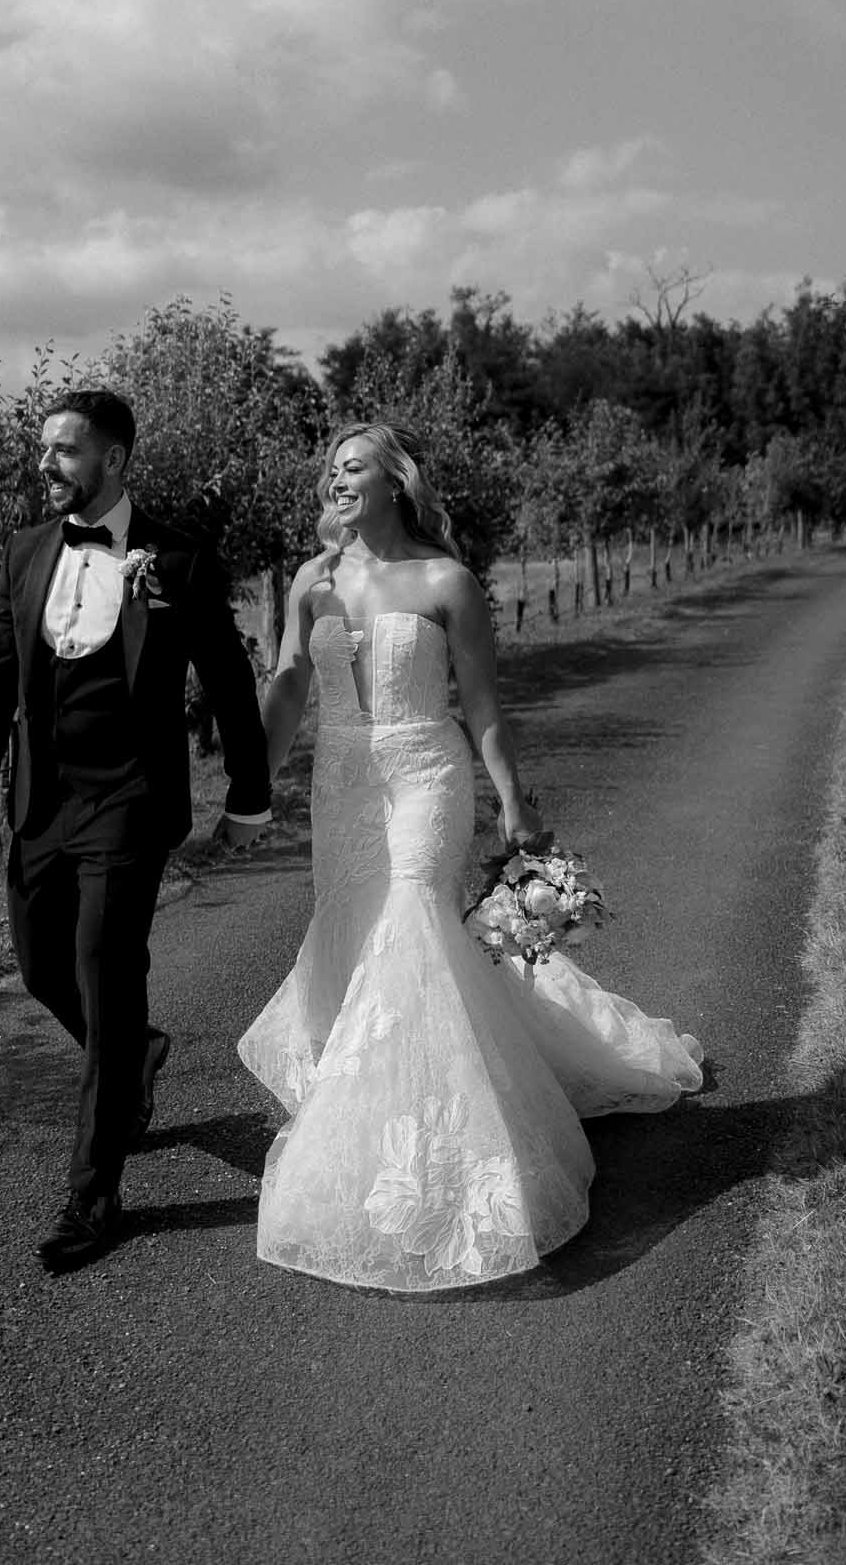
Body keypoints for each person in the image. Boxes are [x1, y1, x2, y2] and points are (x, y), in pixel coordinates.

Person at [238, 422, 702, 1293]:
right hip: (343, 784)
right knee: (357, 929)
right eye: (330, 468)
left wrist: (514, 803)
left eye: (353, 466)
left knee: (412, 918)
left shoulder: (446, 581)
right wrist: (249, 793)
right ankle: (376, 1104)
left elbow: (482, 705)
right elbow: (290, 683)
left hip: (426, 773)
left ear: (395, 481)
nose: (336, 479)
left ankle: (450, 1143)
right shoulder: (312, 580)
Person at [0, 389, 271, 1272]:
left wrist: (248, 794)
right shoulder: (25, 550)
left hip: (131, 797)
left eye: (64, 450)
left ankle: (92, 1197)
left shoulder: (179, 557)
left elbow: (228, 679)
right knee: (40, 968)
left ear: (114, 459)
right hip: (40, 798)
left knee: (105, 971)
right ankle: (135, 1051)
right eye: (44, 449)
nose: (46, 464)